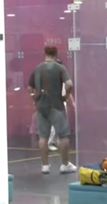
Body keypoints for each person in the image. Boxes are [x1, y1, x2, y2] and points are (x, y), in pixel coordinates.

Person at [28, 45, 76, 174]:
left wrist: (34, 99)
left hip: (41, 107)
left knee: (43, 137)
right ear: (56, 54)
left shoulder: (37, 69)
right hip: (57, 106)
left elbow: (30, 88)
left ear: (44, 53)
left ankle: (45, 165)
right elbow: (69, 84)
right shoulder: (60, 68)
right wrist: (66, 96)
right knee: (63, 135)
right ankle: (65, 164)